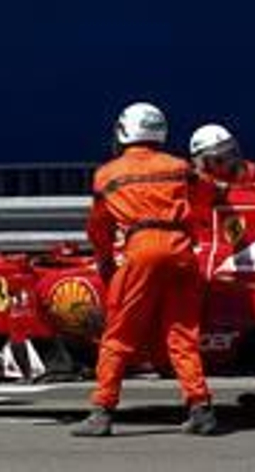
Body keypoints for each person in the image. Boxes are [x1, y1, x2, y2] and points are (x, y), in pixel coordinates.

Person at [73, 102, 217, 437]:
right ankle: (201, 409)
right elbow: (208, 194)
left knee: (118, 335)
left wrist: (105, 261)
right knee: (182, 334)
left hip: (142, 250)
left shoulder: (107, 174)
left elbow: (98, 228)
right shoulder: (180, 166)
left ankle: (101, 412)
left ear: (124, 131)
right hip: (182, 251)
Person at [189, 124, 255, 186]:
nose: (230, 163)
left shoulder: (249, 174)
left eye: (232, 154)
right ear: (201, 163)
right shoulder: (192, 186)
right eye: (219, 160)